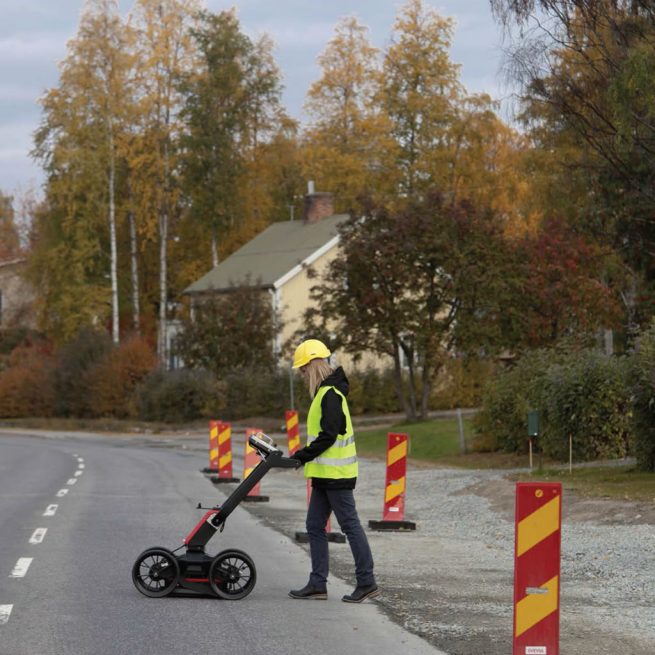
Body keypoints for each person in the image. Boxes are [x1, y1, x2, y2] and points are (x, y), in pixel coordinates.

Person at [288, 338, 379, 603]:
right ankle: (318, 584)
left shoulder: (330, 395)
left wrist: (301, 457)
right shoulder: (324, 393)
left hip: (337, 476)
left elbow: (328, 436)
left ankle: (367, 581)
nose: (303, 375)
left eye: (303, 370)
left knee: (350, 526)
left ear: (313, 365)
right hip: (324, 475)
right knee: (314, 525)